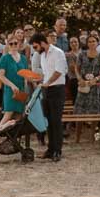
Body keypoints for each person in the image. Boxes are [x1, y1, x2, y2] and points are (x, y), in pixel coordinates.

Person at [31, 31, 68, 161]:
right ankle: (50, 149)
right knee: (48, 121)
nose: (35, 50)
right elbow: (46, 73)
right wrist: (36, 79)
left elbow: (59, 72)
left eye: (36, 47)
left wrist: (47, 83)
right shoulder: (42, 55)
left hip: (57, 90)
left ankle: (57, 150)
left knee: (56, 121)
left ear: (42, 43)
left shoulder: (58, 53)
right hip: (46, 90)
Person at [72, 33, 100, 115]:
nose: (92, 43)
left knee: (95, 111)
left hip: (95, 85)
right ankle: (78, 128)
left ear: (97, 42)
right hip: (83, 84)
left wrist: (96, 79)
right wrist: (80, 79)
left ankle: (93, 128)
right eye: (89, 42)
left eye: (93, 41)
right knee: (80, 110)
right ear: (87, 43)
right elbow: (76, 68)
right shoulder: (82, 54)